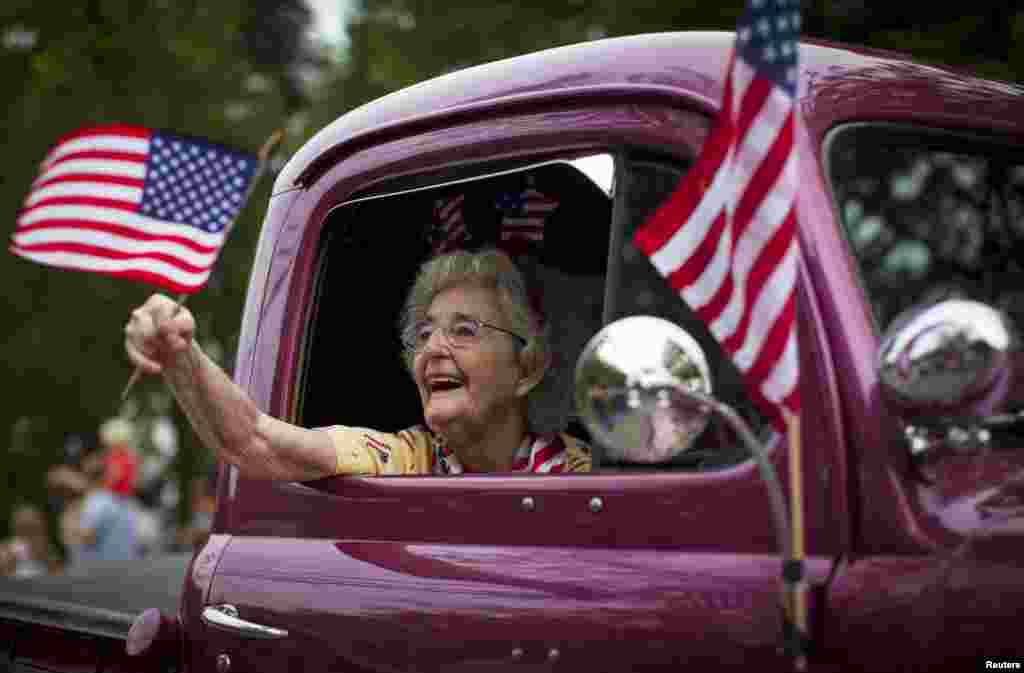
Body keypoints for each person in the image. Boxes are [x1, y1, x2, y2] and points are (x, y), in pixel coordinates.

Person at [123, 248, 591, 479]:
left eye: (464, 330)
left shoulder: (583, 473)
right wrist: (181, 354)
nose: (433, 349)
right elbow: (255, 442)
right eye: (424, 334)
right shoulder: (409, 457)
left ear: (526, 370)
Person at [0, 504, 60, 578]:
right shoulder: (6, 548)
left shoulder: (46, 547)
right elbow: (5, 574)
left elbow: (57, 573)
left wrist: (46, 557)